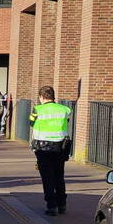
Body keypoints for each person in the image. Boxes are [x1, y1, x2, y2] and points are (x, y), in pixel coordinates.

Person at [30, 86, 72, 215]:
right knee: (59, 175)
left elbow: (31, 123)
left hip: (43, 148)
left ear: (41, 97)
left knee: (47, 177)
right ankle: (62, 204)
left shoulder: (37, 110)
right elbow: (67, 121)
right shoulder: (65, 110)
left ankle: (51, 205)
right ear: (53, 96)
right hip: (60, 147)